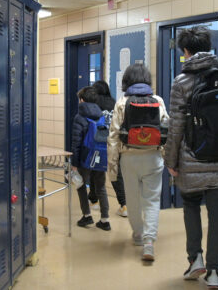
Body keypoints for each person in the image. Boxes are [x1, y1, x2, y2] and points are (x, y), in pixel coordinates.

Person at [164, 26, 218, 289]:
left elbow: (175, 128)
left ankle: (195, 259)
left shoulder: (181, 81)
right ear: (208, 45)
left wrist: (170, 162)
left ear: (186, 51)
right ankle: (215, 272)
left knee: (191, 207)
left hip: (191, 159)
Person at [107, 63, 168, 261]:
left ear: (127, 81)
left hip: (129, 159)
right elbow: (166, 130)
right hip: (153, 157)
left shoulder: (122, 103)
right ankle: (149, 242)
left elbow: (113, 137)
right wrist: (165, 157)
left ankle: (138, 234)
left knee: (133, 200)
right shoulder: (158, 100)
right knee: (151, 200)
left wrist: (112, 167)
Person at [71, 86, 110, 230]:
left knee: (81, 185)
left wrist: (74, 164)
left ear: (82, 100)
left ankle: (87, 216)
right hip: (99, 155)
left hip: (85, 157)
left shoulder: (80, 117)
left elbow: (76, 142)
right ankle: (105, 220)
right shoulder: (101, 116)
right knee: (101, 187)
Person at [88, 80, 128, 217]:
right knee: (116, 173)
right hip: (114, 143)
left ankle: (94, 201)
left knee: (95, 171)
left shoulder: (94, 104)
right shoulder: (114, 103)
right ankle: (124, 205)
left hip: (98, 143)